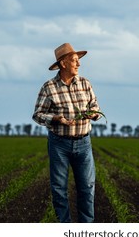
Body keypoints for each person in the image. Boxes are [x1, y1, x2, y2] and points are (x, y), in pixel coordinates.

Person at [32, 42, 101, 223]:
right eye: (75, 60)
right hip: (59, 144)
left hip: (84, 143)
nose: (78, 64)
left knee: (87, 187)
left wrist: (94, 114)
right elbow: (37, 115)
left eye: (78, 61)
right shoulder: (49, 88)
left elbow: (94, 106)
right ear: (63, 63)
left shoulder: (85, 84)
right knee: (59, 189)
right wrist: (56, 119)